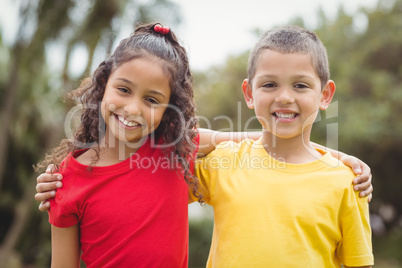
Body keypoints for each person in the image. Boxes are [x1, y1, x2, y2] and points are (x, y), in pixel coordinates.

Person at [34, 23, 373, 266]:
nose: (133, 108)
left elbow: (258, 138)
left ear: (170, 109)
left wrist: (334, 157)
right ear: (103, 84)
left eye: (152, 99)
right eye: (123, 90)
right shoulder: (66, 180)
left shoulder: (175, 154)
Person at [191, 25, 374, 267]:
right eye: (269, 85)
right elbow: (176, 140)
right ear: (249, 93)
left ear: (325, 94)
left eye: (300, 85)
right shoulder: (224, 161)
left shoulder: (347, 182)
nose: (285, 97)